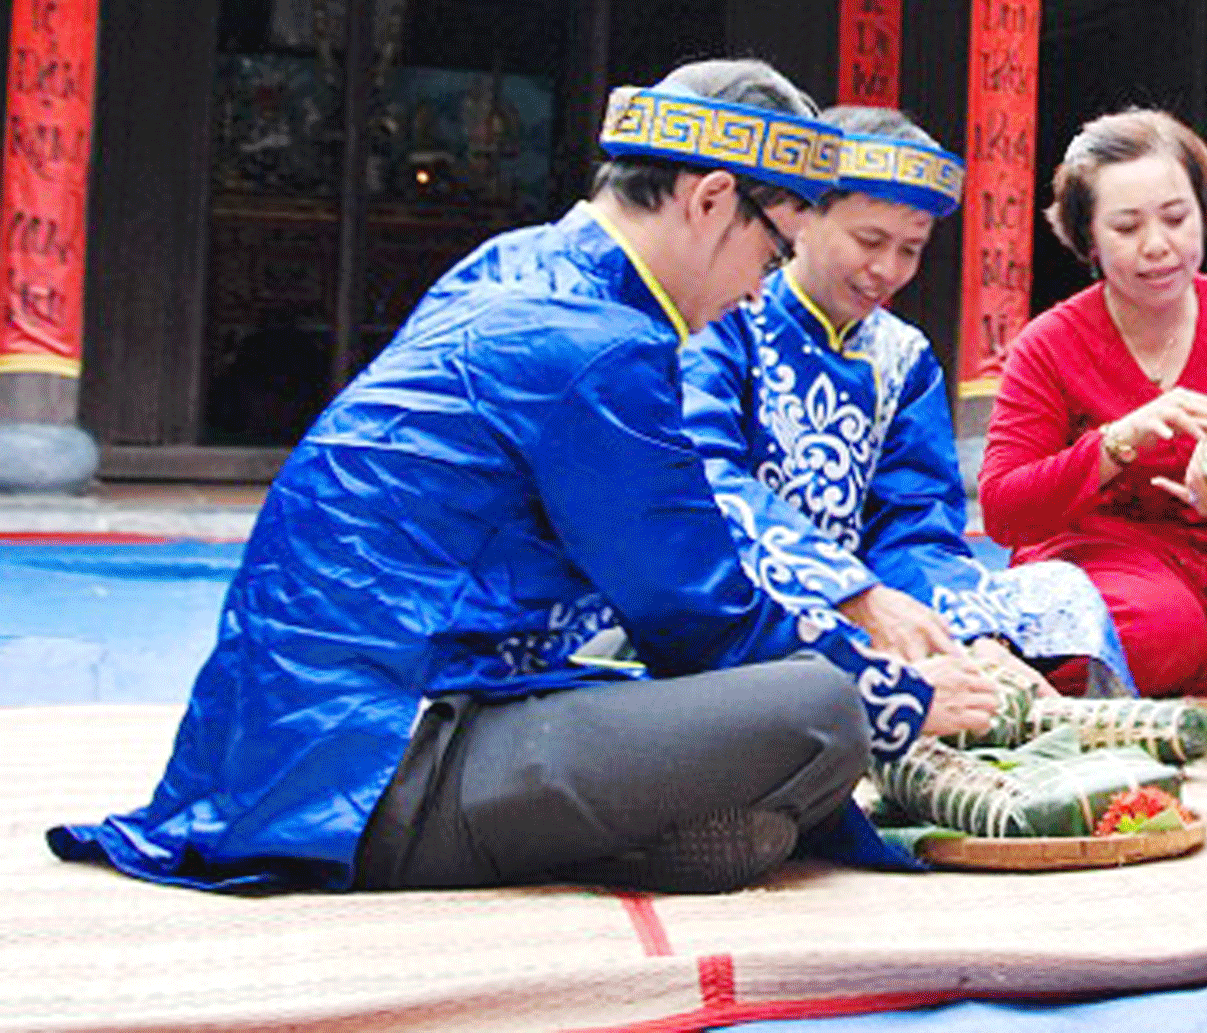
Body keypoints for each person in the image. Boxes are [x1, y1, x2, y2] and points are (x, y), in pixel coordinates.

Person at [50, 62, 997, 895]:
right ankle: (529, 838)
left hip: (305, 728)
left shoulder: (516, 265)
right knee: (817, 711)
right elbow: (697, 611)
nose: (760, 287)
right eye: (771, 249)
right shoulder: (599, 349)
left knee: (739, 751)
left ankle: (648, 830)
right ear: (710, 201)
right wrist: (893, 698)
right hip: (378, 756)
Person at [683, 106, 1128, 693]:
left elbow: (914, 523)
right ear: (804, 221)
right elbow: (706, 480)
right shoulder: (726, 319)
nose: (886, 270)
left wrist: (965, 635)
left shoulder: (903, 355)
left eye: (910, 249)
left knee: (1060, 595)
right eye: (869, 240)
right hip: (747, 585)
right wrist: (847, 591)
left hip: (876, 594)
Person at [978, 108, 1207, 702]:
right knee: (1159, 630)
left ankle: (1142, 678)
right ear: (1088, 239)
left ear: (1206, 214)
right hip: (1099, 573)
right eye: (1126, 228)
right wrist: (1116, 442)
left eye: (1177, 218)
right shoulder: (1049, 343)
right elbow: (1003, 510)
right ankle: (1145, 666)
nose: (1159, 246)